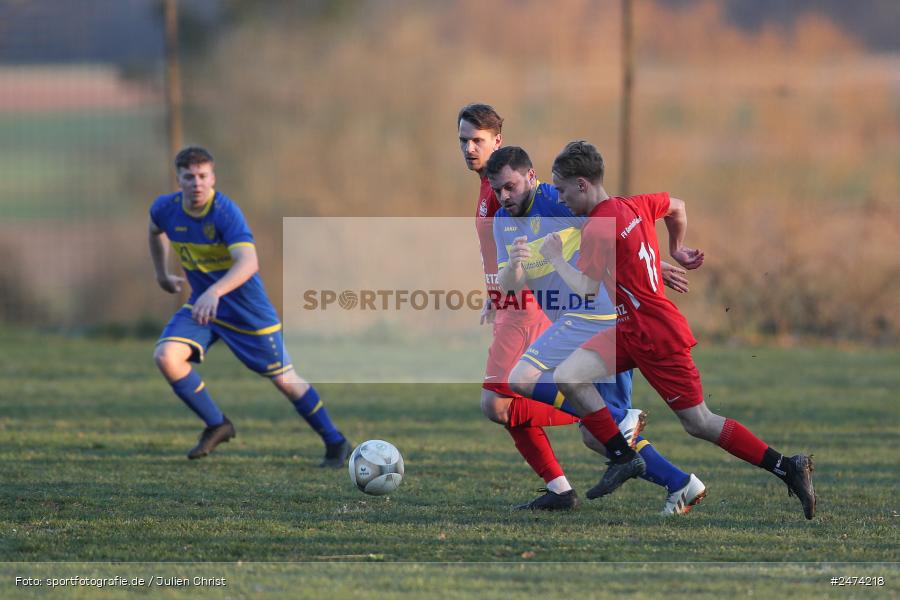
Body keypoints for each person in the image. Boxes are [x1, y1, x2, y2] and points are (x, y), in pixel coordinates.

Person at [543, 140, 816, 519]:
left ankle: (786, 466)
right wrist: (676, 247)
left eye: (562, 189)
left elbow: (587, 289)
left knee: (699, 422)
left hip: (655, 336)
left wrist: (556, 259)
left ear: (583, 184)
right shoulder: (632, 205)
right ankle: (624, 457)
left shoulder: (599, 228)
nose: (559, 198)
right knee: (570, 375)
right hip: (631, 329)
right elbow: (677, 206)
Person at [490, 145, 706, 516]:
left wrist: (651, 265)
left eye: (509, 186)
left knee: (522, 380)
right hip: (578, 324)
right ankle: (681, 483)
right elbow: (510, 285)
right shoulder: (502, 221)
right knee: (597, 435)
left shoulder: (558, 201)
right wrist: (512, 264)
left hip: (597, 317)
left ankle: (615, 417)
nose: (503, 196)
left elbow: (616, 225)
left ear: (530, 176)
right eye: (497, 190)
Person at [148, 146, 351, 466]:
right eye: (189, 177)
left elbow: (248, 262)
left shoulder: (225, 213)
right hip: (204, 308)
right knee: (166, 356)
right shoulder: (165, 208)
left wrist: (213, 292)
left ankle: (336, 442)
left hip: (246, 311)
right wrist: (161, 274)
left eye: (203, 176)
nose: (197, 183)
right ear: (179, 181)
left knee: (285, 379)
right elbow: (155, 230)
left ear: (213, 178)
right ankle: (217, 424)